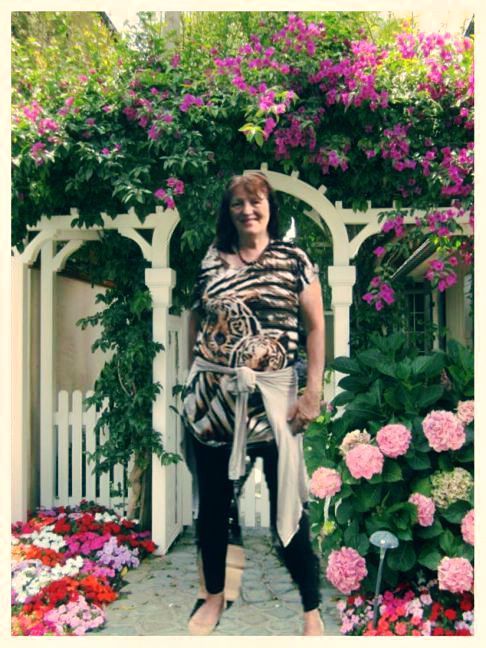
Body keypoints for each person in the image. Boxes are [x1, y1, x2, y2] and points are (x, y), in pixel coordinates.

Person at [182, 172, 325, 636]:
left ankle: (311, 611)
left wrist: (312, 391)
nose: (247, 210)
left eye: (256, 201)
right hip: (213, 406)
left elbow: (315, 327)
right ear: (228, 212)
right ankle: (214, 597)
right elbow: (195, 320)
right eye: (238, 203)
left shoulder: (294, 259)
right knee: (214, 508)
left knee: (290, 508)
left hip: (275, 404)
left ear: (270, 207)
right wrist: (192, 379)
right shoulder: (210, 260)